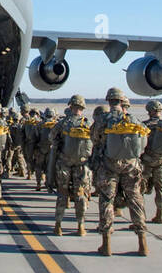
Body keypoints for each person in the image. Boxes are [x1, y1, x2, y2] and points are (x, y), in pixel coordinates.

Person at [93, 89, 150, 257]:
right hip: (131, 166)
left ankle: (107, 244)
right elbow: (143, 142)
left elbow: (94, 138)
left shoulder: (104, 119)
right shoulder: (133, 119)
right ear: (123, 101)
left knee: (106, 201)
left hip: (109, 165)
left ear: (109, 101)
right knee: (136, 200)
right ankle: (142, 243)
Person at [49, 95, 92, 236]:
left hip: (64, 164)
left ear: (70, 106)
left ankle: (58, 225)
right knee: (80, 195)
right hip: (81, 165)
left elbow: (52, 137)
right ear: (82, 108)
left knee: (62, 194)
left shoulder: (64, 123)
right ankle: (81, 226)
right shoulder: (88, 124)